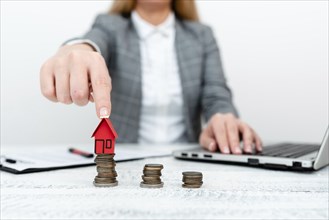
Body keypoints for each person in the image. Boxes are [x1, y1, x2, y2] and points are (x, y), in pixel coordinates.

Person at [40, 0, 262, 154]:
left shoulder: (202, 35)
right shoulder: (110, 26)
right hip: (125, 161)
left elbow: (216, 92)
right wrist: (78, 49)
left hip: (187, 158)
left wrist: (222, 117)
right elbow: (94, 40)